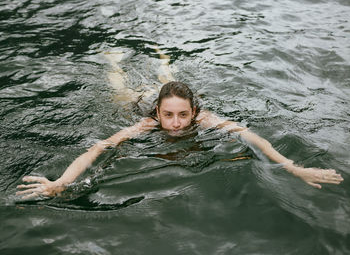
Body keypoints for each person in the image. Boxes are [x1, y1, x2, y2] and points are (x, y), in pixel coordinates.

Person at [16, 49, 344, 200]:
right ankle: (113, 60)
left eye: (182, 115)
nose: (174, 124)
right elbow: (99, 148)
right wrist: (61, 181)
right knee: (121, 91)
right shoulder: (147, 122)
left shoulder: (204, 117)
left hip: (168, 95)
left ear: (194, 112)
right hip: (143, 98)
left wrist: (292, 167)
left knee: (171, 83)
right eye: (168, 115)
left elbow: (253, 138)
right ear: (158, 113)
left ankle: (163, 62)